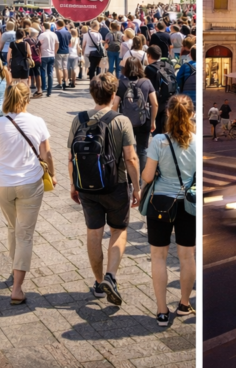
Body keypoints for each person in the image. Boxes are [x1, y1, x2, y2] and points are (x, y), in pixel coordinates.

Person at [67, 73, 139, 306]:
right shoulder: (121, 121)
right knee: (118, 230)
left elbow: (71, 157)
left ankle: (99, 283)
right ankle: (111, 276)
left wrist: (73, 184)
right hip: (116, 185)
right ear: (113, 95)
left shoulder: (78, 120)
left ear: (92, 94)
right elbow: (131, 159)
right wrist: (137, 188)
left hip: (87, 186)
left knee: (93, 233)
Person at [0, 82, 57, 305]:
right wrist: (53, 175)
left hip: (3, 184)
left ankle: (14, 268)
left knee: (12, 226)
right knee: (25, 233)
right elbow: (47, 154)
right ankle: (17, 288)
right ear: (27, 99)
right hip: (30, 182)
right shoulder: (38, 122)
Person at [143, 96, 197, 327]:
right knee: (187, 257)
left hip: (161, 204)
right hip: (187, 205)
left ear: (168, 114)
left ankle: (162, 311)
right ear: (191, 115)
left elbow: (146, 177)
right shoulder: (196, 141)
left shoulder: (158, 141)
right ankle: (184, 304)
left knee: (159, 257)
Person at [112, 57, 159, 174]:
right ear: (140, 67)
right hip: (144, 120)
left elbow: (115, 104)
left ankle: (130, 176)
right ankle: (142, 175)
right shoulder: (146, 82)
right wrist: (153, 121)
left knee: (128, 149)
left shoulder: (121, 83)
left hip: (126, 122)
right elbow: (155, 103)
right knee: (143, 149)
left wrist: (114, 120)